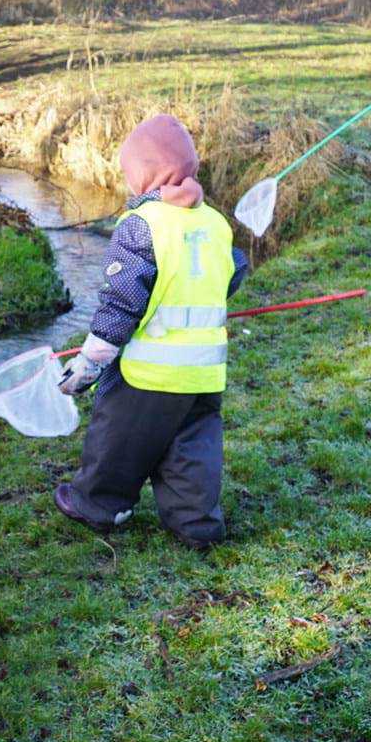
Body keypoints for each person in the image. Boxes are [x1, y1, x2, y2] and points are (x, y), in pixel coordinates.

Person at [52, 115, 248, 550]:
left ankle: (99, 504)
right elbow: (233, 272)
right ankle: (196, 523)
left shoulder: (142, 225)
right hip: (204, 375)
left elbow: (120, 305)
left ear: (146, 172)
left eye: (129, 173)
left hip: (148, 373)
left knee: (117, 439)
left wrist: (88, 365)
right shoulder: (215, 223)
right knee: (193, 448)